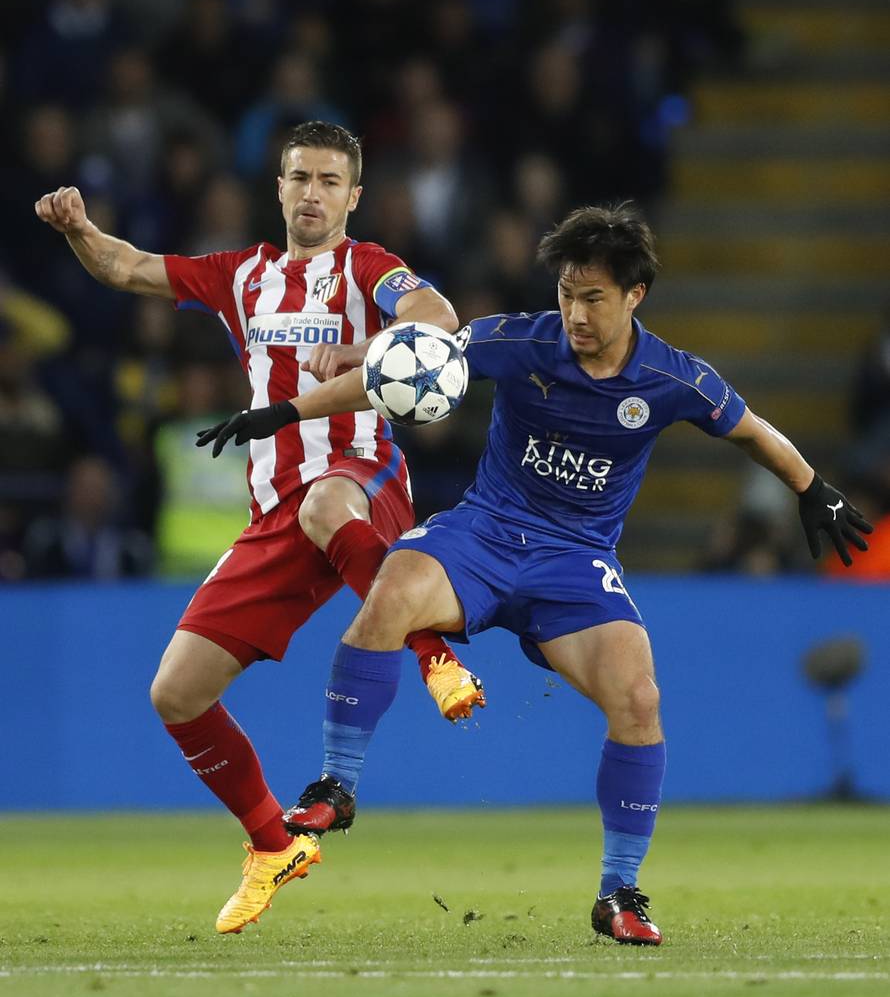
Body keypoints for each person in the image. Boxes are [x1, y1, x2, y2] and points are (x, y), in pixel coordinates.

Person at [202, 202, 872, 946]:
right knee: (388, 593)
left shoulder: (671, 377)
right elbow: (398, 371)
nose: (576, 314)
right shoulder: (515, 340)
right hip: (484, 533)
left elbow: (751, 431)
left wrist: (813, 488)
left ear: (635, 295)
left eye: (593, 298)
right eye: (566, 294)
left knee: (639, 700)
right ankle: (336, 784)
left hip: (576, 563)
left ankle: (619, 893)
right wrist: (284, 413)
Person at [34, 120, 486, 935]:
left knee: (324, 505)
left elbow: (437, 316)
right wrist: (78, 230)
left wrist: (362, 349)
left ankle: (434, 655)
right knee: (176, 693)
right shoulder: (241, 275)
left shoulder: (368, 267)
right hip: (276, 513)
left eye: (329, 181)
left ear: (353, 196)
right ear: (278, 188)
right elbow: (126, 267)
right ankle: (273, 845)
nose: (312, 193)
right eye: (299, 177)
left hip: (359, 477)